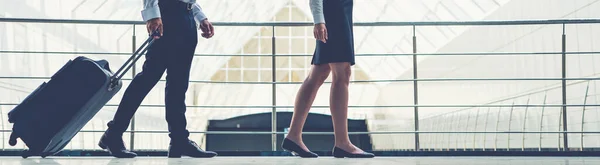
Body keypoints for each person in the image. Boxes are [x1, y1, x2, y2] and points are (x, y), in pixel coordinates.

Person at [97, 0, 217, 158]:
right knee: (148, 78)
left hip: (186, 17)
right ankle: (113, 133)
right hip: (168, 16)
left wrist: (200, 17)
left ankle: (179, 140)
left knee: (178, 85)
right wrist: (152, 15)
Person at [281, 0, 375, 158]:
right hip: (334, 13)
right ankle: (342, 142)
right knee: (342, 73)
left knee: (320, 71)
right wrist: (318, 19)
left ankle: (293, 135)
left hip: (338, 12)